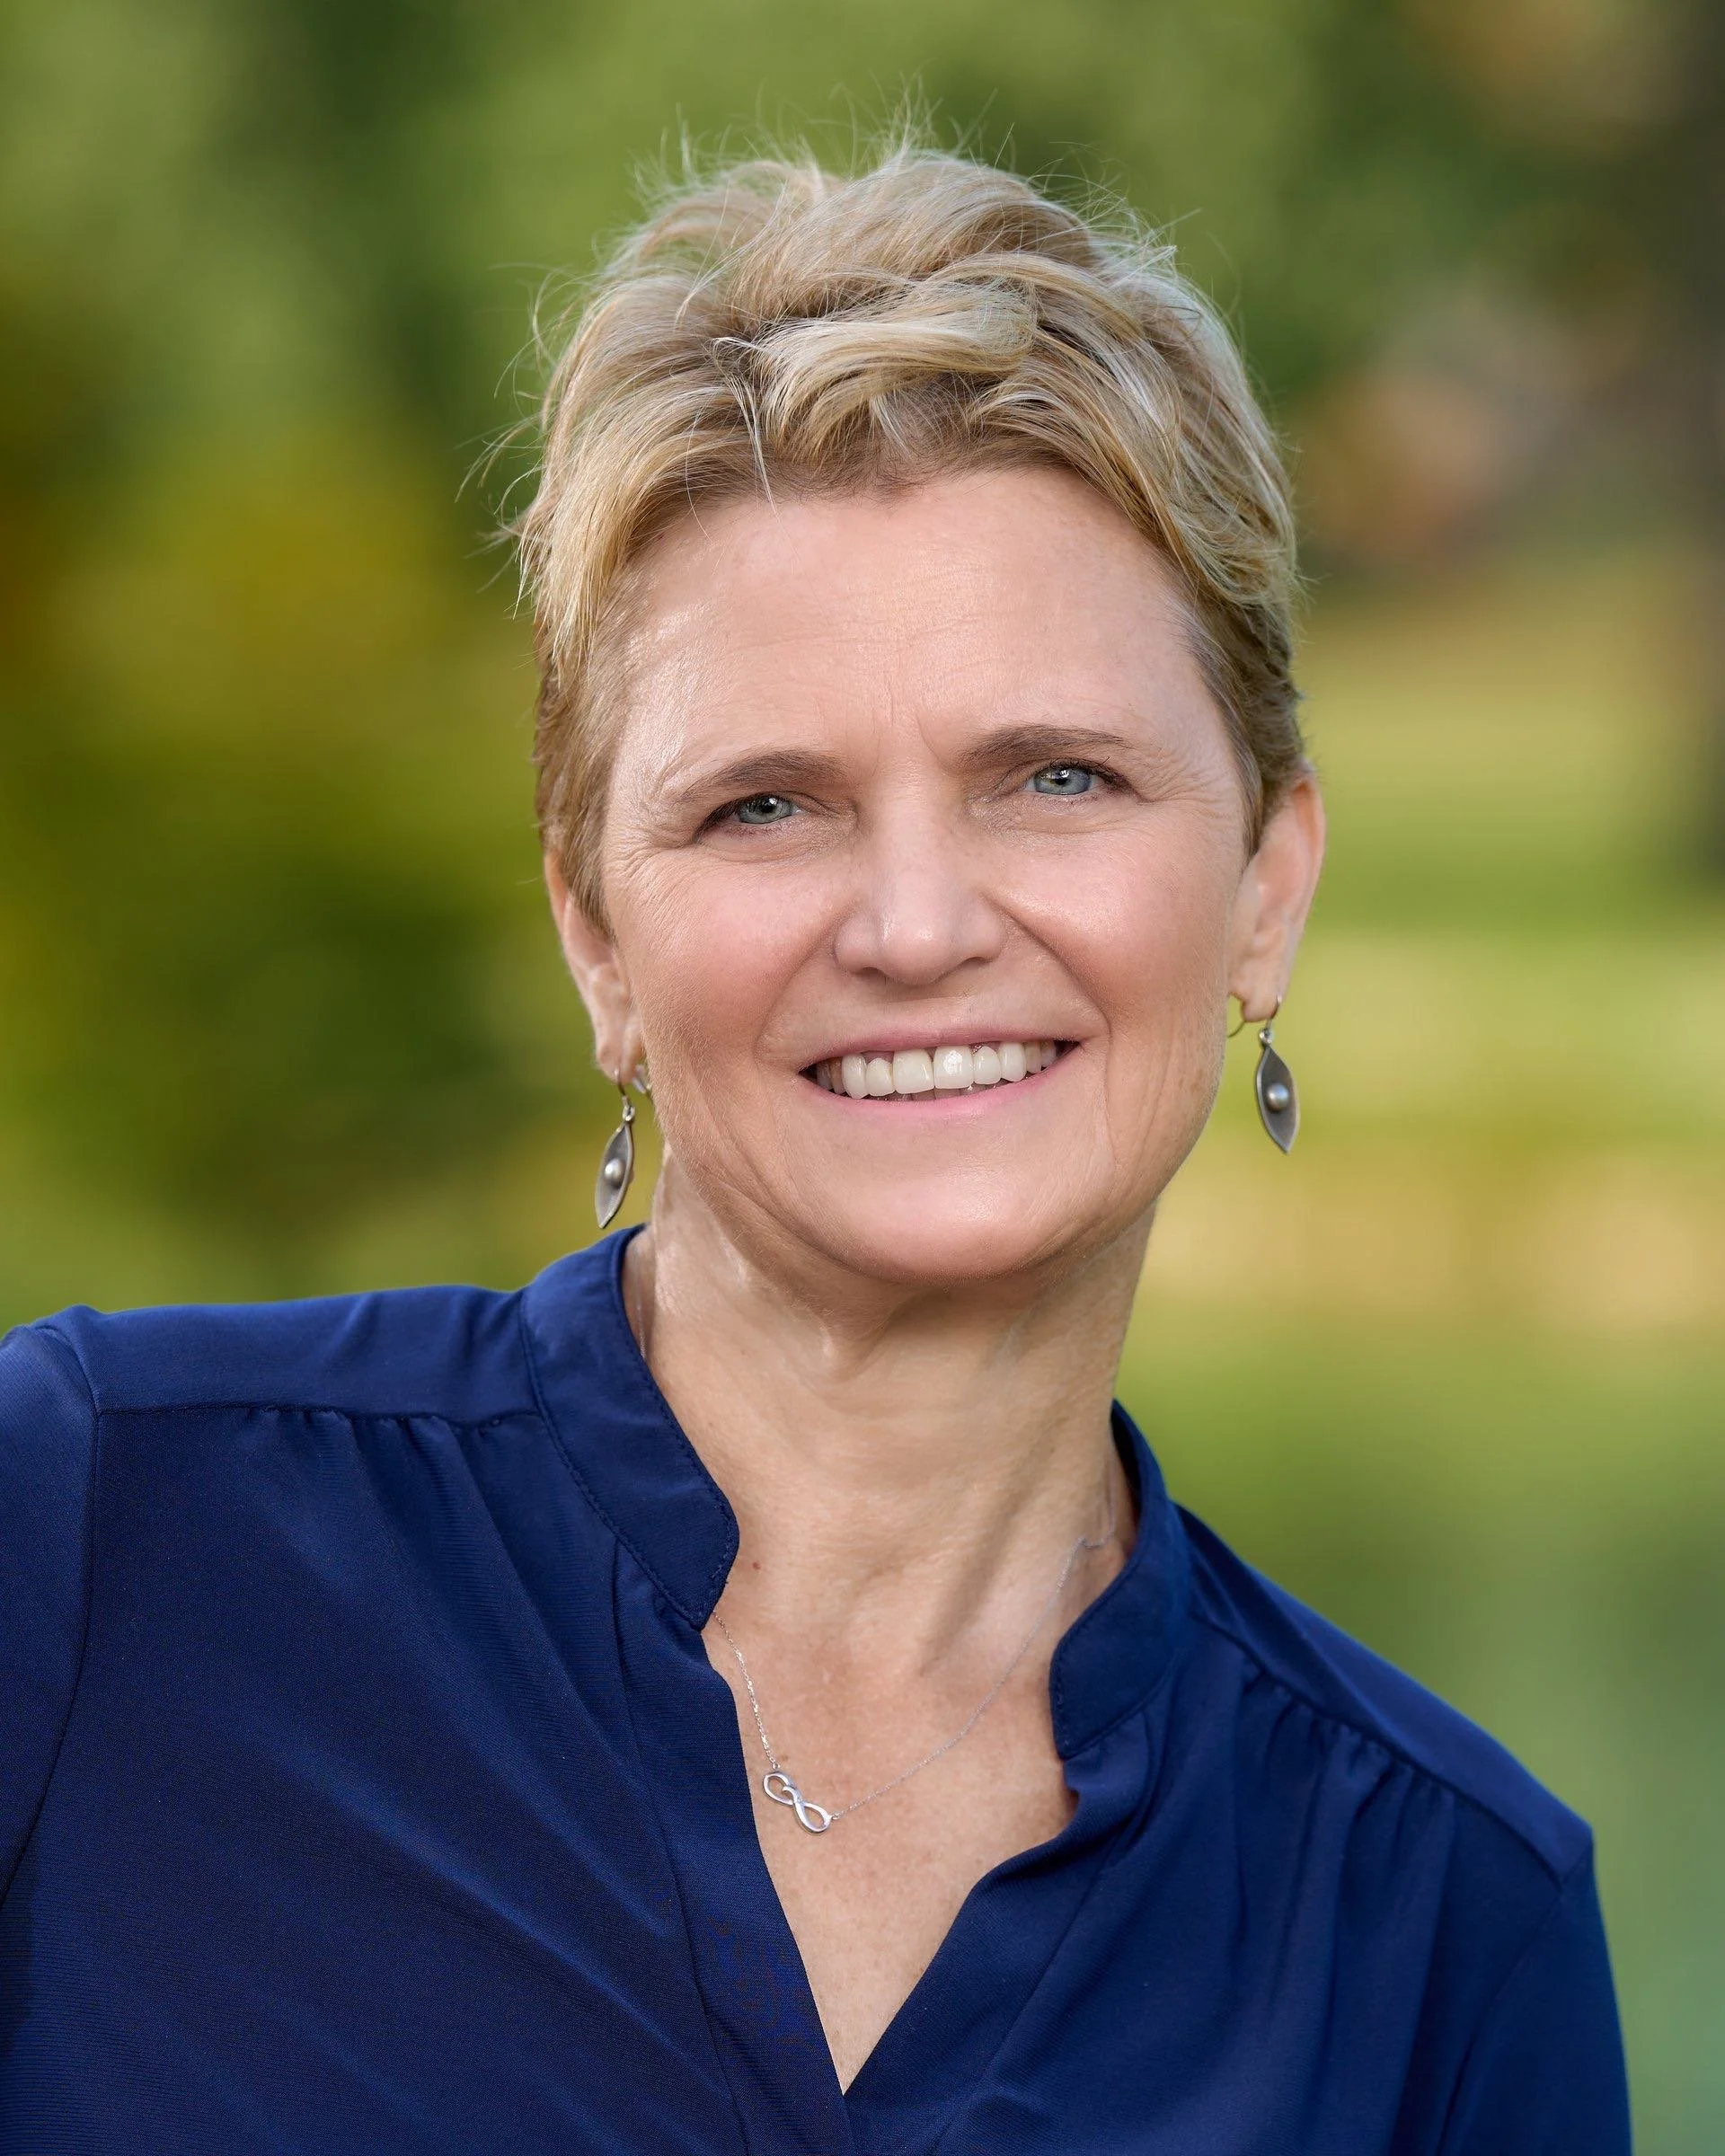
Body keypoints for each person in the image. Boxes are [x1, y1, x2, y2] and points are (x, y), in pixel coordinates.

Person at [0, 141, 1630, 2153]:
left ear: (1265, 890)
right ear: (595, 931)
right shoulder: (97, 1542)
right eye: (765, 805)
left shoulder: (1444, 1923)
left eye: (1057, 775)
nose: (921, 923)